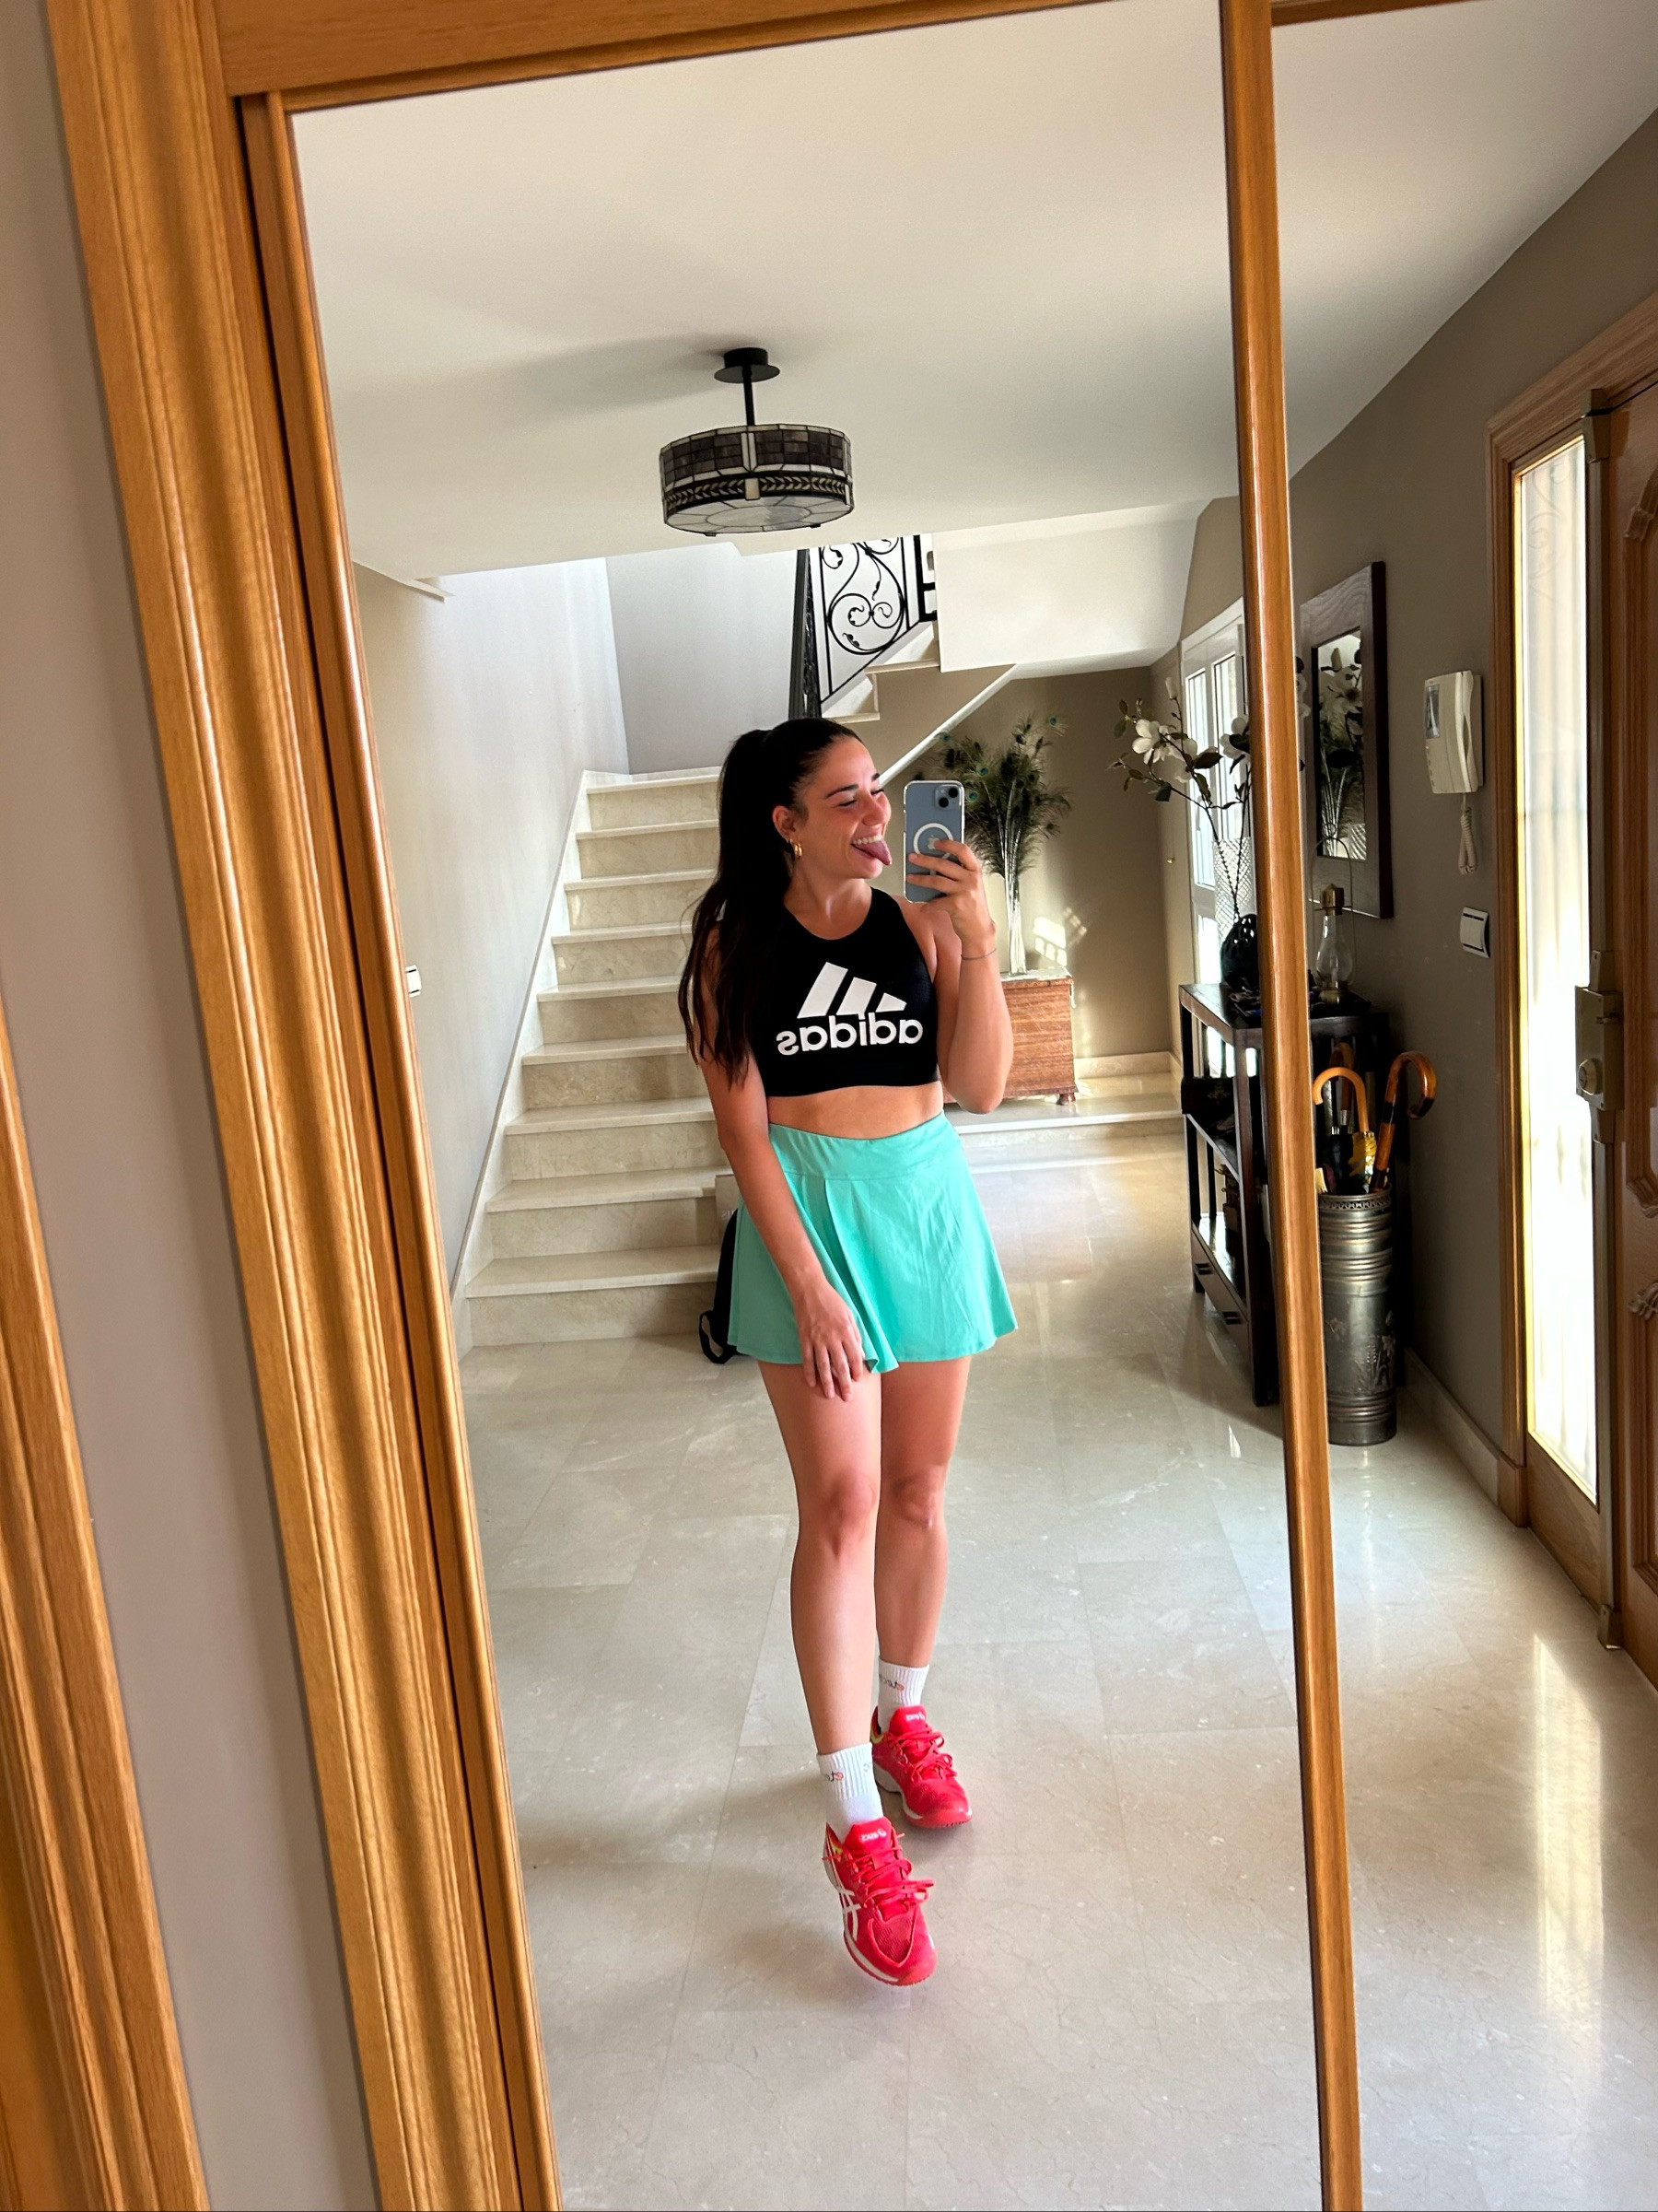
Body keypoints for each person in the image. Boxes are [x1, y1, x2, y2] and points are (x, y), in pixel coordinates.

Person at [679, 717, 1015, 1985]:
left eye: (881, 791)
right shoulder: (734, 945)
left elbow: (983, 1086)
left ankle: (902, 1715)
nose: (880, 814)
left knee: (920, 1491)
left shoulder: (919, 925)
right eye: (850, 796)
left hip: (923, 1206)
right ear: (786, 822)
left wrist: (977, 942)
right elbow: (743, 1132)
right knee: (843, 1506)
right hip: (805, 1219)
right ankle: (854, 1822)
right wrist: (807, 1286)